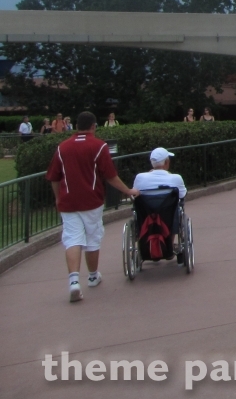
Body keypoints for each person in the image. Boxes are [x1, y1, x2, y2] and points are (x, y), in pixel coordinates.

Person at [44, 111, 140, 302]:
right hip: (92, 200)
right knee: (92, 238)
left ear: (77, 125)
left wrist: (57, 198)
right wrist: (128, 191)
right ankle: (93, 275)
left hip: (68, 201)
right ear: (94, 126)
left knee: (72, 239)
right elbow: (110, 175)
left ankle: (73, 282)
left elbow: (54, 177)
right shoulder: (99, 146)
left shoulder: (62, 147)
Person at [133, 147, 188, 263]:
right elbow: (182, 195)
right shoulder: (175, 178)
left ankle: (147, 246)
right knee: (176, 208)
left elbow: (134, 196)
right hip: (167, 215)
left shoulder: (140, 178)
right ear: (166, 163)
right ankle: (169, 244)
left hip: (146, 215)